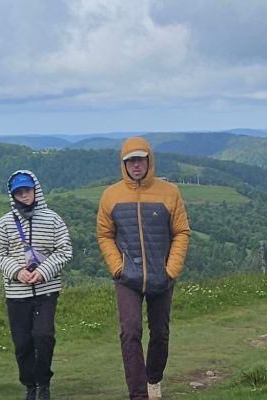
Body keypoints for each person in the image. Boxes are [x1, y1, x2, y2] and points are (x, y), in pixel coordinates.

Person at [96, 137, 191, 400]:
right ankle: (138, 394)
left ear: (149, 160)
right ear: (123, 164)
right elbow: (104, 235)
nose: (135, 165)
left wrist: (171, 270)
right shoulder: (111, 196)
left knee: (160, 333)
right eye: (130, 160)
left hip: (162, 275)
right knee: (130, 332)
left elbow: (181, 232)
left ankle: (154, 379)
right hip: (127, 277)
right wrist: (118, 268)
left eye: (140, 159)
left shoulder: (169, 192)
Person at [0, 170, 73, 400]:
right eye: (18, 192)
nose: (24, 195)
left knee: (44, 336)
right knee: (23, 342)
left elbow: (65, 250)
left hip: (47, 291)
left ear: (35, 190)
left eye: (26, 190)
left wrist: (44, 272)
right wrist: (17, 272)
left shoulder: (53, 219)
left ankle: (43, 382)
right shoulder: (5, 223)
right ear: (12, 195)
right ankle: (30, 385)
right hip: (16, 293)